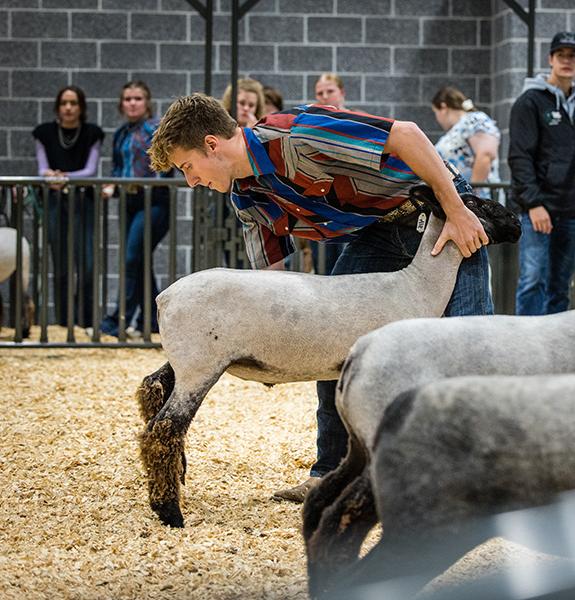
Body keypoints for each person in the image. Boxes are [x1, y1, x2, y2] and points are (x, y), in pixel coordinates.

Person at [148, 94, 493, 503]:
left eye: (188, 167)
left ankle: (479, 476)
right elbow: (269, 285)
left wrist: (455, 209)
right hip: (379, 231)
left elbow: (407, 136)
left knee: (468, 343)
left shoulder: (297, 134)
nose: (191, 181)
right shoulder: (246, 197)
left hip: (440, 210)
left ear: (211, 144)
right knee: (332, 341)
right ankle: (330, 474)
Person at [508, 31, 575, 316]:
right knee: (532, 280)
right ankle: (526, 346)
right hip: (539, 206)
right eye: (560, 55)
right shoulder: (530, 102)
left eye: (572, 56)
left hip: (571, 206)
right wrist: (534, 204)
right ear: (550, 59)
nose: (566, 61)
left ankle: (555, 348)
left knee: (561, 285)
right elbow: (519, 156)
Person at [97, 81, 171, 339]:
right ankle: (153, 321)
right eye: (127, 98)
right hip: (128, 201)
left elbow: (166, 164)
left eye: (137, 98)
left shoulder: (155, 129)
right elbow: (118, 168)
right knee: (138, 261)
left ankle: (118, 320)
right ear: (121, 103)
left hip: (154, 201)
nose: (132, 103)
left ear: (147, 102)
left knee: (131, 257)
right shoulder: (120, 133)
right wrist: (112, 185)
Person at [32, 85, 104, 327]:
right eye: (64, 103)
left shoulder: (92, 132)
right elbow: (41, 168)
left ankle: (84, 323)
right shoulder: (44, 132)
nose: (69, 108)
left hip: (83, 201)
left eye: (73, 103)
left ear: (81, 107)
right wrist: (50, 176)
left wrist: (62, 177)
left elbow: (91, 170)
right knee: (60, 264)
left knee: (86, 264)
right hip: (55, 201)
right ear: (58, 107)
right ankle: (63, 324)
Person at [431, 86, 501, 200]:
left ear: (443, 107)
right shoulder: (457, 128)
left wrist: (472, 196)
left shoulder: (475, 119)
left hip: (479, 200)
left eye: (436, 112)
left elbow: (486, 155)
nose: (437, 119)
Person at [311, 72, 350, 274]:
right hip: (324, 201)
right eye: (320, 93)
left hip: (353, 200)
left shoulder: (356, 119)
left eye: (330, 91)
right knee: (325, 265)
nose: (325, 96)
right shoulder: (313, 124)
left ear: (341, 92)